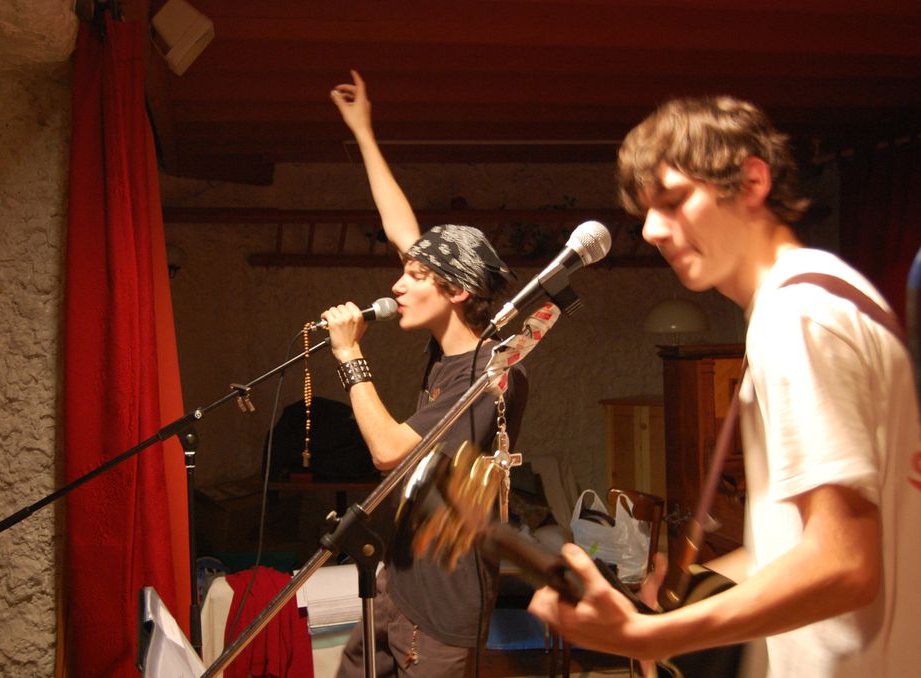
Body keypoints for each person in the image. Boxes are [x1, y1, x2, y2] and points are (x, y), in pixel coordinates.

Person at [528, 95, 921, 677]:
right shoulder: (829, 297)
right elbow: (809, 546)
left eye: (675, 201)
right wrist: (700, 586)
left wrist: (649, 633)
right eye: (645, 213)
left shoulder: (799, 319)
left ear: (751, 180)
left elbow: (844, 565)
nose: (655, 231)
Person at [323, 70, 529, 677]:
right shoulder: (448, 343)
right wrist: (363, 131)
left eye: (415, 278)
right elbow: (401, 229)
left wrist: (349, 358)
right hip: (399, 583)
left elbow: (389, 452)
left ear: (458, 292)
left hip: (442, 612)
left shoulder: (491, 374)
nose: (397, 284)